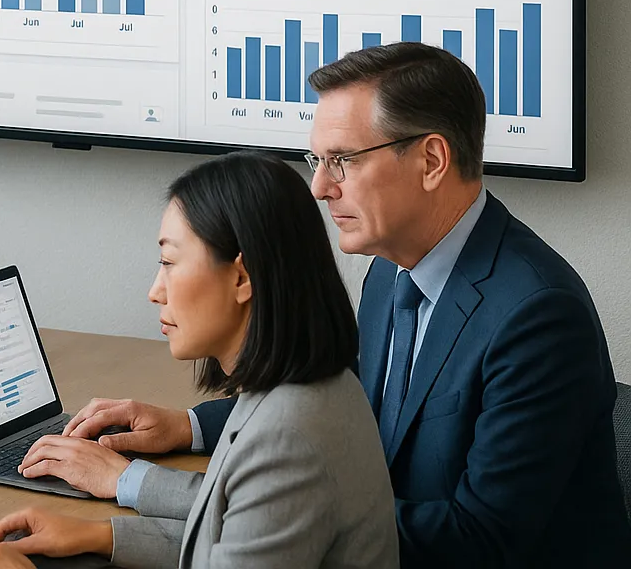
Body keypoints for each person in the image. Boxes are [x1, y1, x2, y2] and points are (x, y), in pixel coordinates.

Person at [39, 43, 630, 567]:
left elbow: (475, 540)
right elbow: (332, 409)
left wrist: (141, 485)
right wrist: (188, 427)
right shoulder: (388, 275)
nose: (320, 188)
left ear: (431, 161)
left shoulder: (537, 316)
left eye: (342, 160)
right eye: (316, 162)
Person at [0, 151, 397, 569]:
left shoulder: (287, 436)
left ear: (242, 277)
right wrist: (101, 536)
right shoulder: (306, 387)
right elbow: (228, 531)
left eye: (169, 261)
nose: (155, 290)